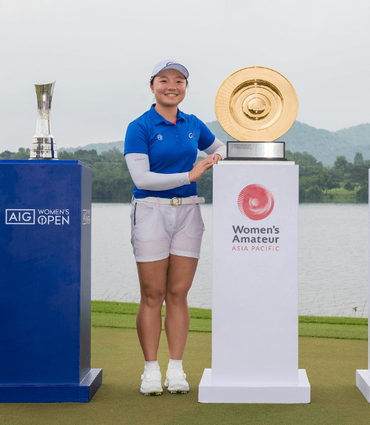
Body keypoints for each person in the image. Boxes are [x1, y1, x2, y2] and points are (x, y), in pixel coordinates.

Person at [123, 59, 225, 396]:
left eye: (179, 80)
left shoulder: (193, 124)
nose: (172, 86)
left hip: (188, 213)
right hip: (150, 210)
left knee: (178, 294)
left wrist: (222, 157)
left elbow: (220, 150)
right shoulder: (140, 126)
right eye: (164, 80)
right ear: (153, 86)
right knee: (152, 294)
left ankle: (176, 370)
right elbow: (141, 178)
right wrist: (191, 175)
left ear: (185, 87)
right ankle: (151, 370)